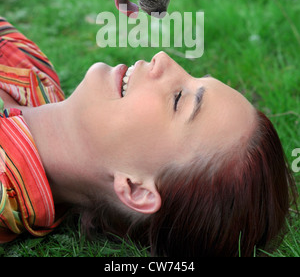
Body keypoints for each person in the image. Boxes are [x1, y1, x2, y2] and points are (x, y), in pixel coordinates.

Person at [0, 17, 297, 257]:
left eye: (179, 99)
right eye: (193, 74)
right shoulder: (32, 69)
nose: (163, 58)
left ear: (136, 189)